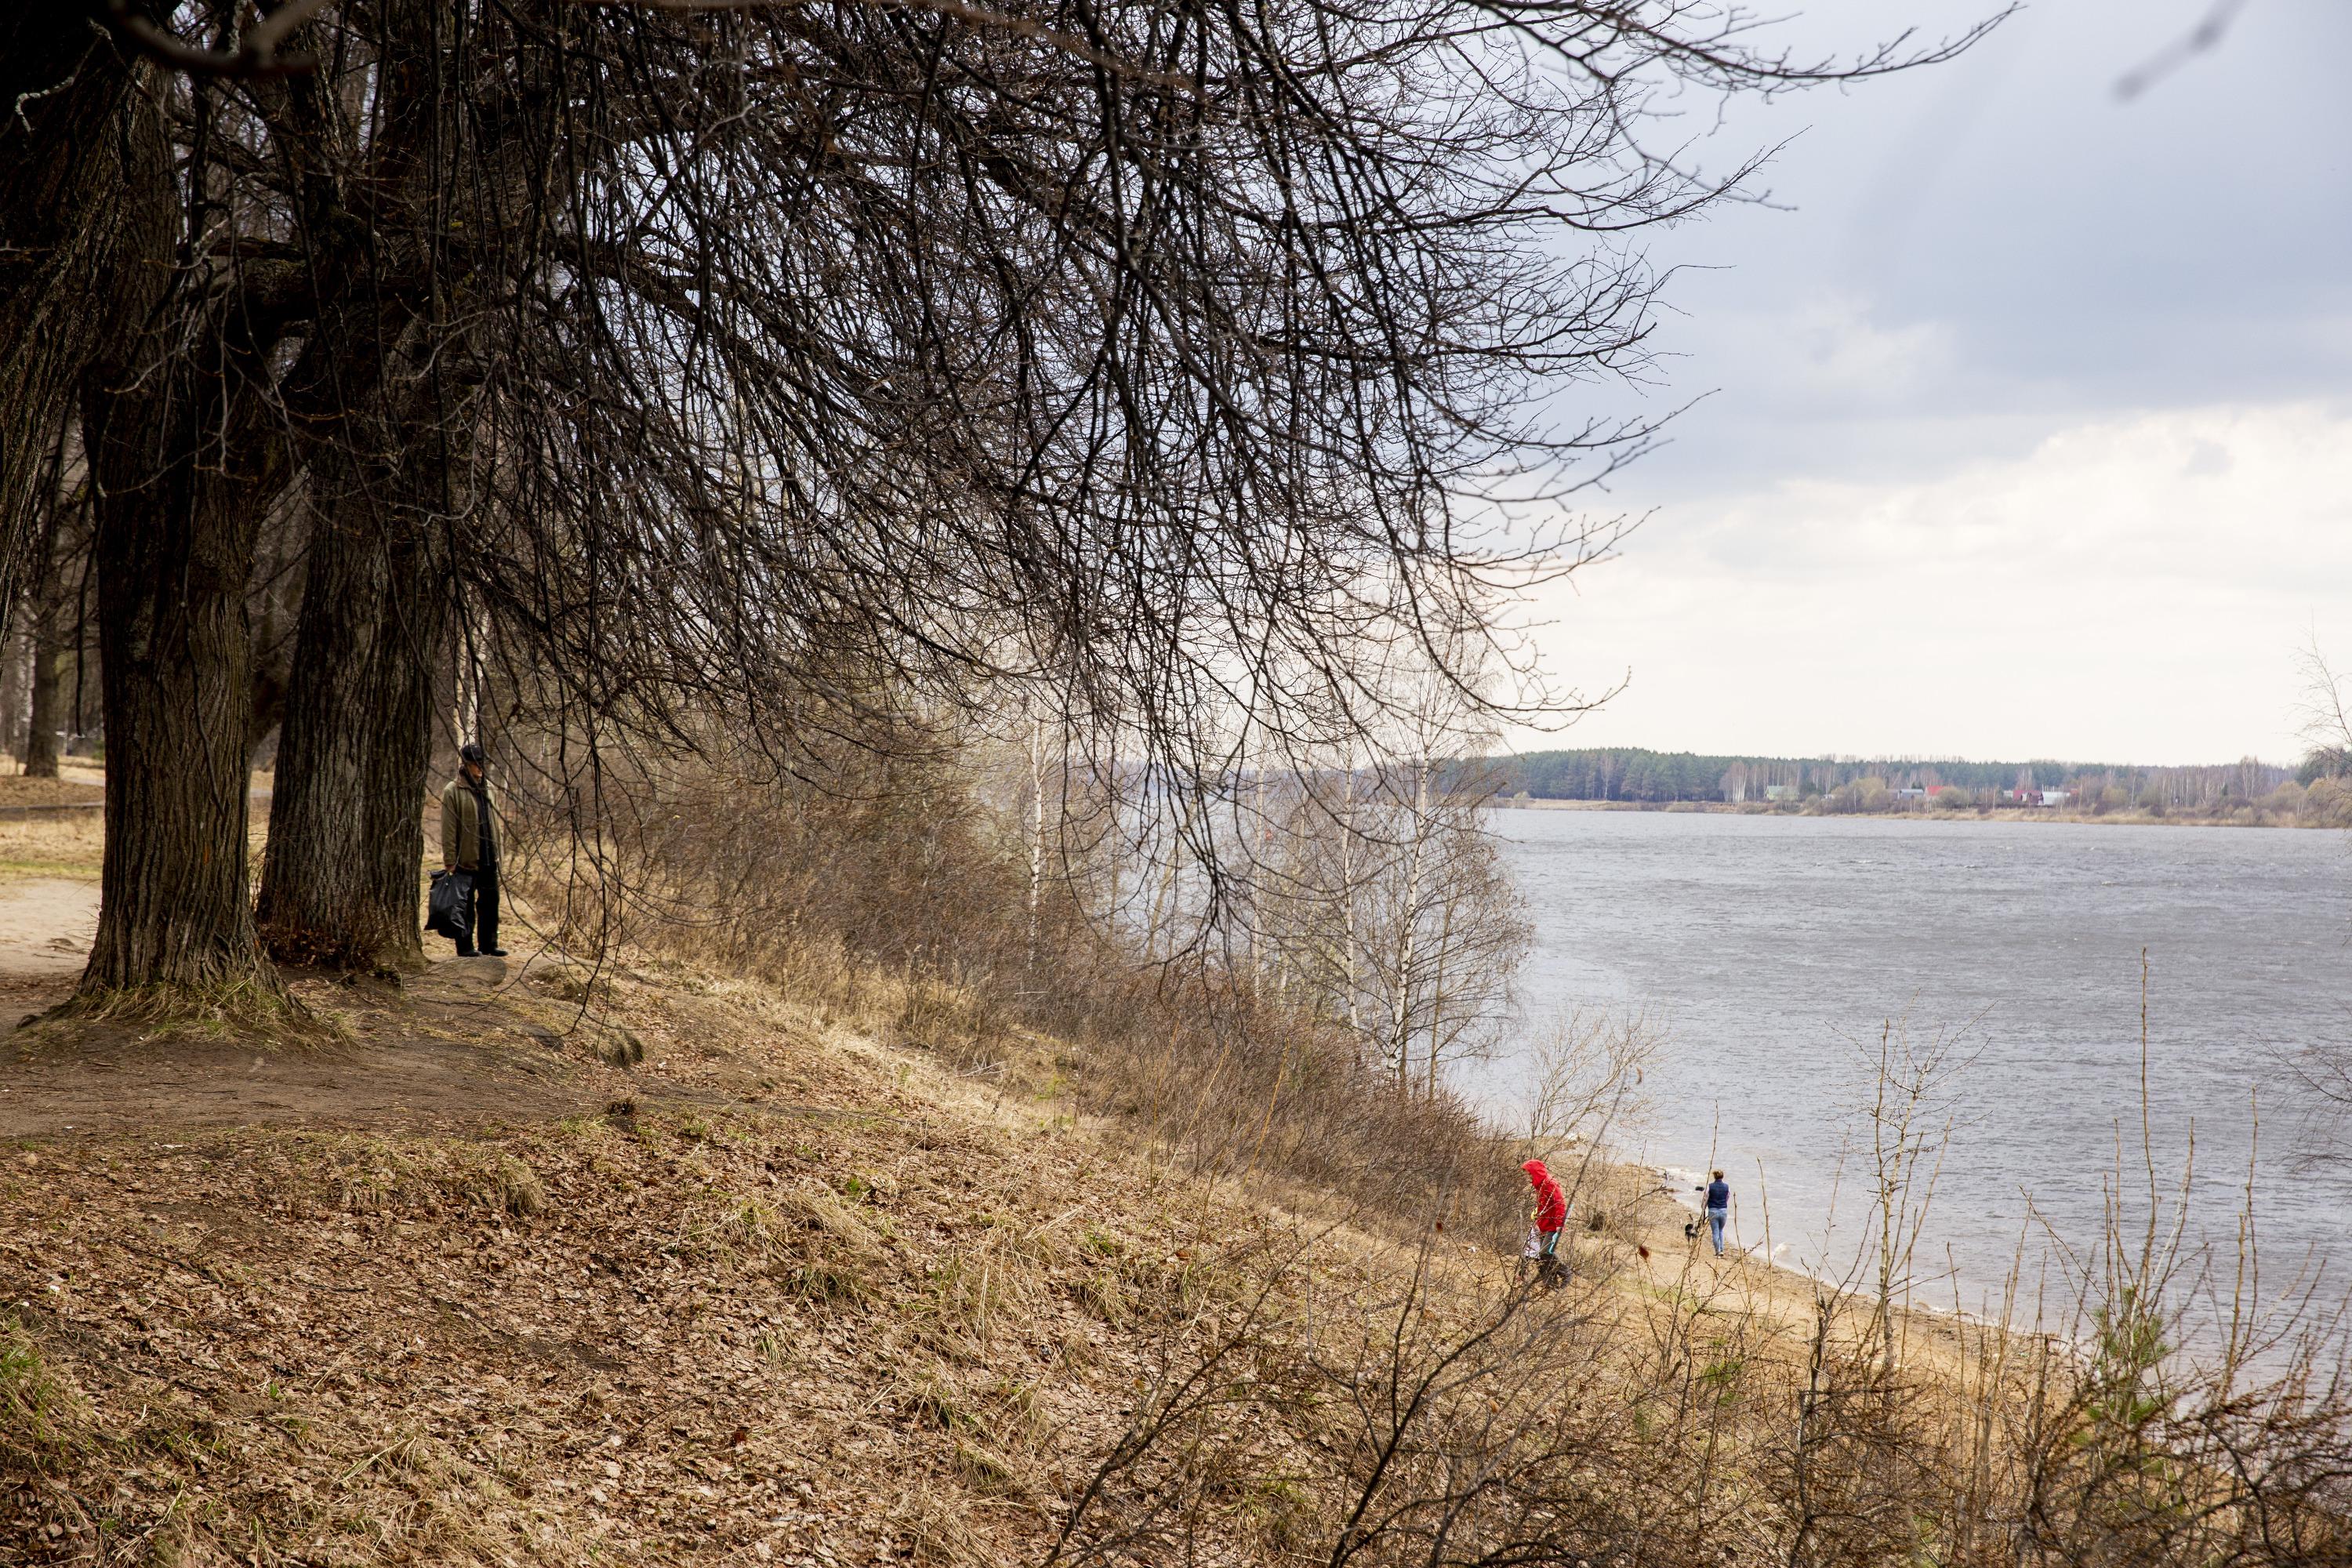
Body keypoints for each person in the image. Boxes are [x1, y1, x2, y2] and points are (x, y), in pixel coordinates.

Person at [439, 741, 506, 958]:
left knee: (490, 902)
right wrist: (450, 859)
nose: (480, 767)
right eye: (475, 764)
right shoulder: (453, 791)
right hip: (465, 858)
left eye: (482, 763)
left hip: (489, 857)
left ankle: (489, 944)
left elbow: (495, 824)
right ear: (466, 765)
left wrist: (499, 854)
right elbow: (449, 828)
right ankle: (465, 947)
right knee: (464, 905)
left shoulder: (490, 788)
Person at [1521, 1158, 1569, 1286]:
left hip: (1553, 1226)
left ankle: (1566, 1273)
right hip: (1544, 1225)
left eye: (1530, 1174)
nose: (1528, 1177)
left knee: (1545, 1252)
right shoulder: (1540, 1185)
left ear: (1535, 1172)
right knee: (1542, 1256)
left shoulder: (1550, 1183)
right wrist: (1538, 1220)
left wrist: (1559, 1224)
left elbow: (1560, 1204)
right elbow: (1544, 1206)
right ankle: (1550, 1282)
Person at [1700, 1170, 1731, 1256]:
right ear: (1722, 1177)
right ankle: (1721, 1250)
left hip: (1713, 1210)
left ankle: (1717, 1251)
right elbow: (1728, 1196)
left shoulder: (1710, 1186)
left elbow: (1706, 1197)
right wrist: (1724, 1204)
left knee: (1715, 1232)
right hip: (1723, 1211)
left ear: (1714, 1177)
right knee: (1721, 1230)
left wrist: (1703, 1207)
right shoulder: (1727, 1187)